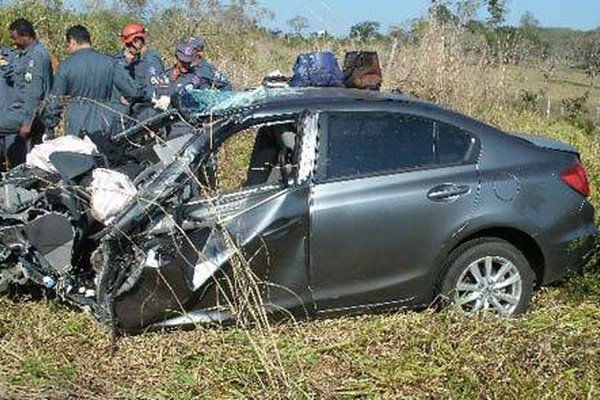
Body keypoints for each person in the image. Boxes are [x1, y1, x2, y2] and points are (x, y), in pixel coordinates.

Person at [43, 25, 140, 138]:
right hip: (105, 125)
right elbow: (133, 91)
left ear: (73, 41)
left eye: (68, 45)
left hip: (77, 126)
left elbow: (56, 100)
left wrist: (49, 125)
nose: (68, 48)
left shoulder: (66, 66)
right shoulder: (110, 62)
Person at [0, 19, 53, 169]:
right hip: (20, 110)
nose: (13, 41)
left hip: (27, 112)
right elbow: (13, 75)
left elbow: (34, 92)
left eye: (15, 37)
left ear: (26, 35)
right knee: (18, 156)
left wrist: (27, 123)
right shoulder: (21, 55)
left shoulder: (36, 56)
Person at [117, 23, 164, 120]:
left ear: (137, 41)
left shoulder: (151, 61)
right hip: (138, 112)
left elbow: (153, 93)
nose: (127, 48)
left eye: (128, 44)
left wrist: (132, 97)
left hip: (148, 113)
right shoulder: (137, 60)